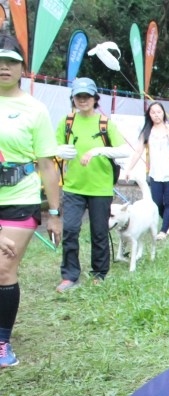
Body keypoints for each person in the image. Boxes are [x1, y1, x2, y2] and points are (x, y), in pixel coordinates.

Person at [0, 35, 62, 368]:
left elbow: (47, 165)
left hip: (19, 200)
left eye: (11, 61)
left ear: (23, 67)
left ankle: (1, 340)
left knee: (3, 267)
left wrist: (53, 213)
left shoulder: (34, 109)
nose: (4, 67)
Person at [54, 77, 126, 292]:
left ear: (95, 98)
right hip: (73, 186)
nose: (83, 100)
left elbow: (123, 150)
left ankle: (99, 273)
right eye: (78, 96)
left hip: (100, 188)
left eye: (87, 96)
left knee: (99, 232)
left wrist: (97, 151)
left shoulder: (105, 123)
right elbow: (53, 146)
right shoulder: (67, 122)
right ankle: (69, 275)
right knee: (70, 230)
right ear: (73, 98)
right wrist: (59, 150)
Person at [125, 101, 169, 241]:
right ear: (149, 115)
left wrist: (168, 129)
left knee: (168, 202)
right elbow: (138, 151)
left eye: (159, 112)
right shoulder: (147, 131)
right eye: (153, 112)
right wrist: (129, 169)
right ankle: (168, 222)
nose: (156, 115)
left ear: (163, 113)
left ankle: (163, 230)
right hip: (155, 172)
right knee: (156, 202)